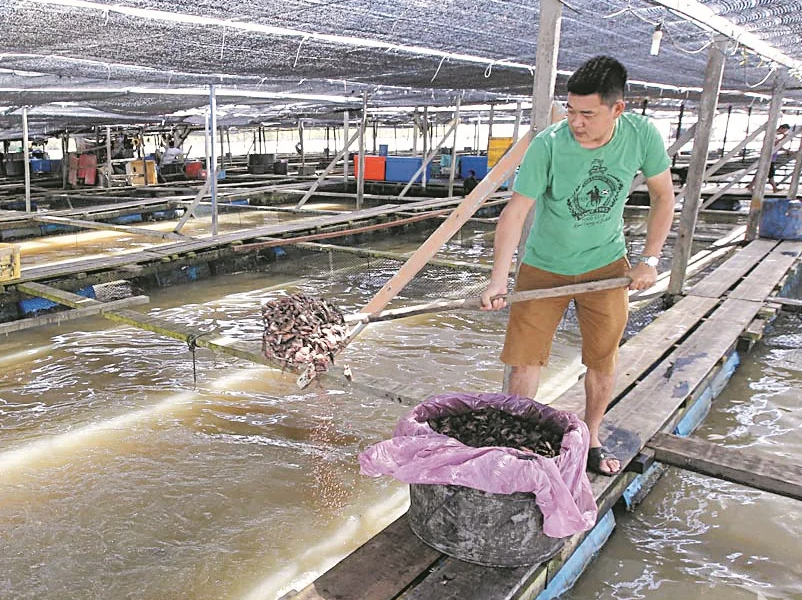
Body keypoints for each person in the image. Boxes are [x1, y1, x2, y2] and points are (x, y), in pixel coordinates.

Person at [480, 56, 675, 476]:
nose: (576, 121)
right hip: (543, 265)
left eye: (588, 113)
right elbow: (514, 213)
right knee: (524, 360)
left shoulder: (641, 136)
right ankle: (520, 440)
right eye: (571, 110)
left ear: (617, 109)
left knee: (602, 358)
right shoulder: (549, 144)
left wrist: (650, 260)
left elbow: (664, 197)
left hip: (606, 266)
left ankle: (592, 436)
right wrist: (499, 278)